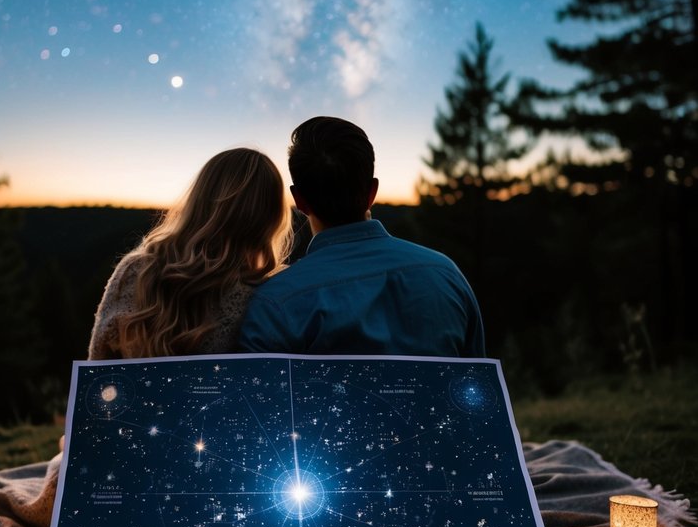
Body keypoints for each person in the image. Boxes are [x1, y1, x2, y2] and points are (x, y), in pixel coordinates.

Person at [239, 116, 485, 358]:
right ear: (372, 192)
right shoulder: (446, 274)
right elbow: (476, 387)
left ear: (300, 201)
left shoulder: (274, 304)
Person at [88, 148, 292, 360]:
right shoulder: (270, 295)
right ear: (272, 219)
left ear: (200, 199)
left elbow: (98, 366)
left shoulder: (138, 271)